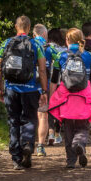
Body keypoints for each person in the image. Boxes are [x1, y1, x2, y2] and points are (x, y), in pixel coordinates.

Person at [0, 16, 47, 170]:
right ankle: (27, 144)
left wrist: (0, 88)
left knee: (14, 121)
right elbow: (42, 70)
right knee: (30, 119)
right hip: (31, 89)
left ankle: (16, 159)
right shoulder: (36, 44)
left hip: (11, 89)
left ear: (15, 26)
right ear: (29, 28)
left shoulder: (6, 43)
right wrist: (44, 91)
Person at [48, 28, 91, 169]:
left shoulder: (61, 56)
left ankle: (70, 161)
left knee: (68, 129)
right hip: (83, 96)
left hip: (66, 97)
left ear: (67, 40)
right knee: (83, 127)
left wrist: (52, 98)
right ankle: (79, 144)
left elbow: (54, 80)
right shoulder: (88, 56)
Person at [32, 24, 58, 157]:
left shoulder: (28, 44)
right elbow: (61, 59)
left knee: (28, 116)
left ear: (34, 34)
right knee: (43, 116)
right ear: (44, 35)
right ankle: (40, 147)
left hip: (27, 86)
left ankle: (26, 144)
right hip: (44, 86)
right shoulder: (49, 48)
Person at [45, 27, 67, 146]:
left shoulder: (47, 48)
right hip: (63, 82)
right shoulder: (65, 50)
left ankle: (50, 133)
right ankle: (58, 134)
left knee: (50, 107)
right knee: (60, 108)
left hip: (50, 81)